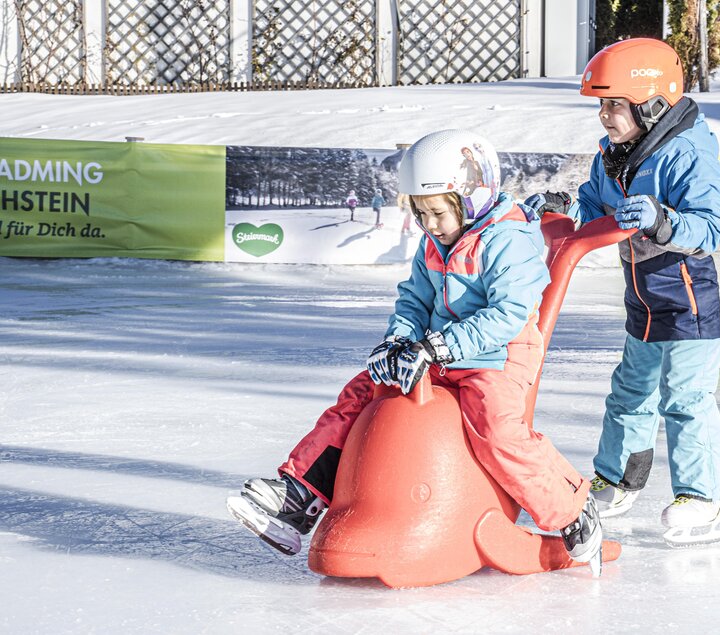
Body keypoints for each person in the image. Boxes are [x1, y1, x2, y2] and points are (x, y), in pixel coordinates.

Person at [227, 129, 603, 570]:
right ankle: (299, 499)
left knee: (496, 426)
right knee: (363, 393)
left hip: (499, 354)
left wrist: (440, 344)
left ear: (472, 196)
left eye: (437, 213)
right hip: (439, 351)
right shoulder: (434, 242)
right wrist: (399, 341)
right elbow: (414, 300)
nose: (429, 224)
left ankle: (573, 509)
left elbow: (509, 315)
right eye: (420, 213)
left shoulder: (510, 239)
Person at [525, 38, 720, 546]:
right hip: (644, 295)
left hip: (695, 295)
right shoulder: (615, 156)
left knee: (685, 397)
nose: (604, 116)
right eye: (601, 105)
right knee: (630, 390)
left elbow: (710, 227)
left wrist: (662, 219)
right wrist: (562, 206)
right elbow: (594, 205)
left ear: (651, 104)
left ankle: (707, 497)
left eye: (614, 105)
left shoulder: (688, 154)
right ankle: (619, 479)